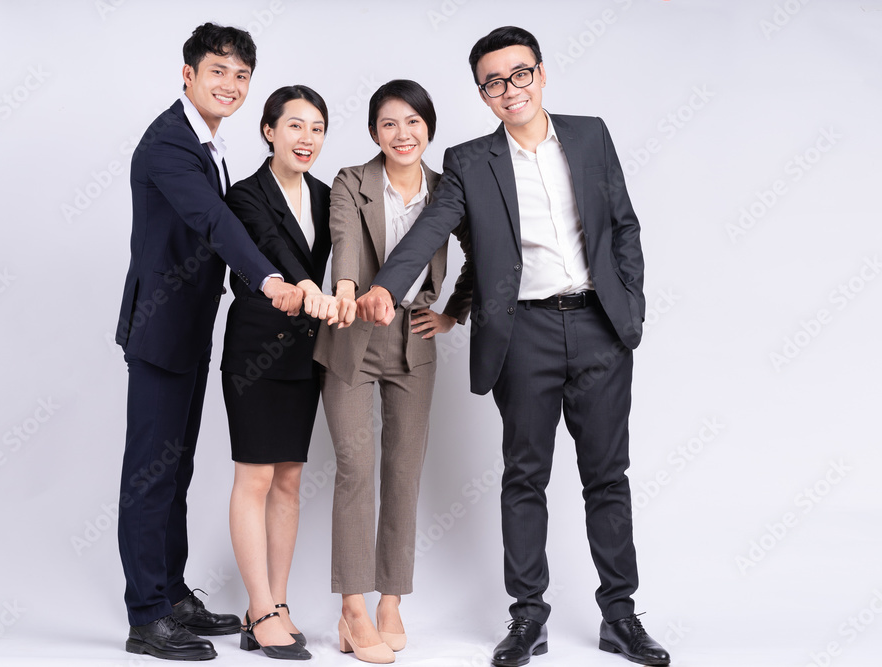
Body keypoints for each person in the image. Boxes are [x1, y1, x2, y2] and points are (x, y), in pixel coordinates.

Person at [358, 27, 671, 667]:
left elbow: (626, 225)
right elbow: (428, 232)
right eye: (494, 82)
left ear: (541, 74)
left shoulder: (590, 136)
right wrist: (386, 288)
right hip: (522, 335)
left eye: (519, 74)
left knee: (607, 477)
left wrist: (629, 310)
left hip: (599, 329)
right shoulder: (473, 162)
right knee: (524, 477)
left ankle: (621, 615)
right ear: (482, 93)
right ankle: (528, 616)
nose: (510, 90)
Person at [114, 23, 312, 662]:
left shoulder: (210, 142)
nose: (230, 85)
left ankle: (172, 595)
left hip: (191, 329)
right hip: (160, 330)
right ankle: (147, 618)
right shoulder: (170, 144)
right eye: (217, 71)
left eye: (241, 76)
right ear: (188, 74)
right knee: (150, 473)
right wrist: (270, 279)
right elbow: (212, 219)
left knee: (176, 469)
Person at [313, 79, 473, 664]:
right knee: (356, 469)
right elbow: (344, 243)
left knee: (403, 471)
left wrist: (454, 311)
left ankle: (390, 599)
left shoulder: (448, 189)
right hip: (354, 332)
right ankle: (353, 607)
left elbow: (485, 249)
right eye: (388, 124)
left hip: (414, 339)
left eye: (412, 122)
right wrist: (351, 291)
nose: (401, 134)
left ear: (428, 126)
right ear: (374, 132)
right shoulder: (352, 182)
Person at [220, 85, 338, 661]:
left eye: (317, 128)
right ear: (269, 131)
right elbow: (268, 248)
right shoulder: (244, 195)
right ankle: (260, 606)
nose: (307, 139)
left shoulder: (325, 194)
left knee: (289, 478)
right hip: (254, 353)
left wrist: (338, 290)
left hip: (304, 354)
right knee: (256, 479)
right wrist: (307, 285)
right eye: (295, 126)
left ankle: (275, 605)